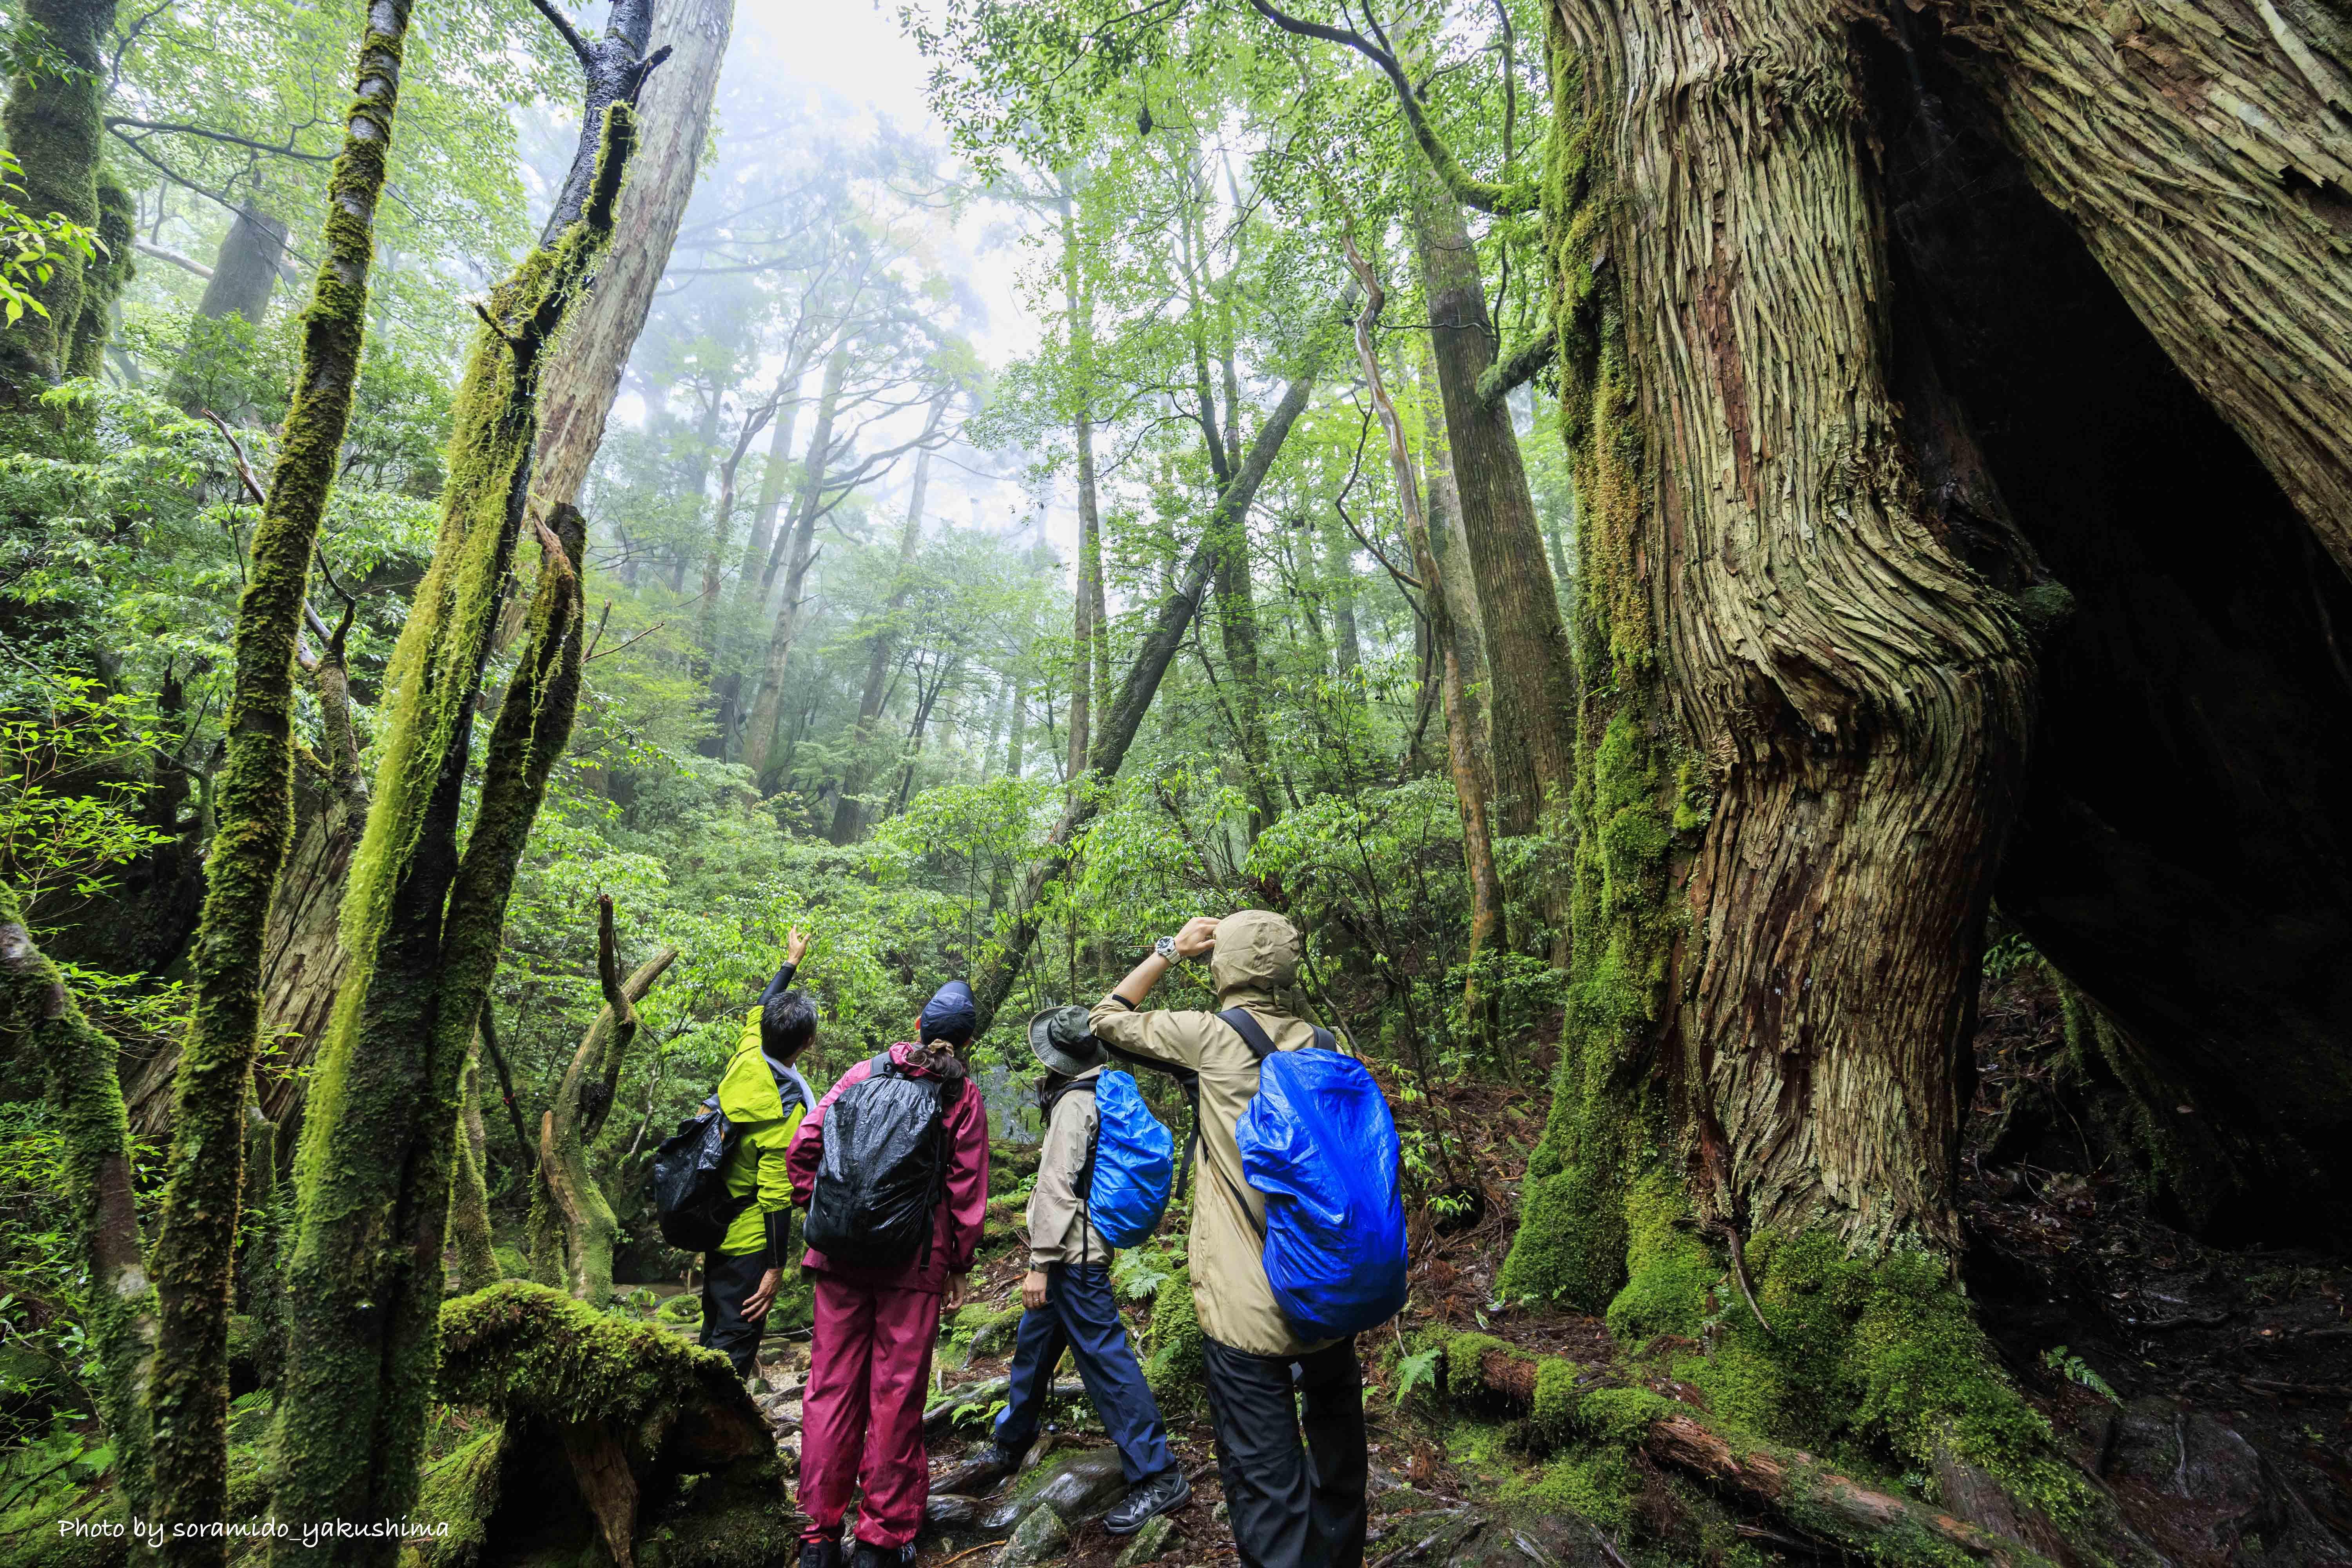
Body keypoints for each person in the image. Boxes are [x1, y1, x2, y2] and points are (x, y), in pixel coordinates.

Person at [1089, 911, 1367, 1568]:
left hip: (1247, 1305)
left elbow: (1104, 1019)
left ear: (1222, 965)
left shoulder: (1207, 1037)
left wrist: (1170, 951)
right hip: (1330, 1292)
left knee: (1264, 1481)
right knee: (1339, 1468)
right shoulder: (1332, 1045)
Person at [949, 1004, 1189, 1531]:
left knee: (1106, 1362)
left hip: (1071, 1258)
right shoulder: (1100, 1090)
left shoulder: (1073, 1105)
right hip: (1075, 1251)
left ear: (1056, 1060)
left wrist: (1039, 1264)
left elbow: (1058, 1186)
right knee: (1035, 1351)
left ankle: (1158, 1474)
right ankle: (1010, 1444)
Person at [788, 980, 991, 1568]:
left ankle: (817, 1537)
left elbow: (804, 1147)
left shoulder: (862, 1073)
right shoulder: (962, 1095)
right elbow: (965, 1191)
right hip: (914, 1265)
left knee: (828, 1389)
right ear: (967, 1041)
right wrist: (959, 1264)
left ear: (920, 1027)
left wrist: (827, 1213)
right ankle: (880, 1540)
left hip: (839, 1260)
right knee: (896, 1396)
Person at [702, 925, 817, 1379]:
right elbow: (775, 1197)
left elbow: (759, 1007)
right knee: (734, 1344)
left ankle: (693, 1428)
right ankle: (711, 1436)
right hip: (749, 1239)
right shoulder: (784, 1113)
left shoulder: (747, 1055)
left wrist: (790, 963)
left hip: (717, 1224)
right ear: (806, 1044)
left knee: (712, 1330)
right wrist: (774, 1268)